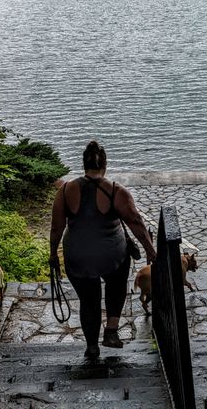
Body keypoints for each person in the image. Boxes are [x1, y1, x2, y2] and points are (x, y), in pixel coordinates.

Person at [50, 140, 156, 360]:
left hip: (77, 256)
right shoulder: (116, 190)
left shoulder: (65, 190)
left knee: (89, 300)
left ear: (84, 165)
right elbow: (136, 223)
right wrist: (150, 250)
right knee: (117, 281)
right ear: (105, 165)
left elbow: (56, 227)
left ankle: (91, 346)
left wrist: (53, 255)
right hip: (111, 256)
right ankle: (111, 330)